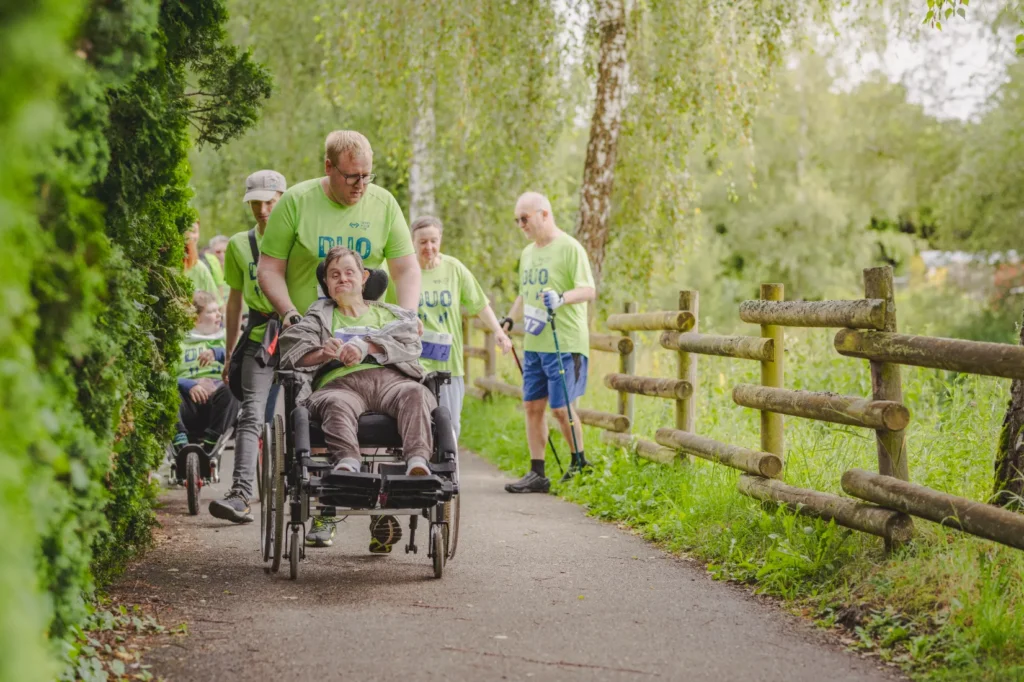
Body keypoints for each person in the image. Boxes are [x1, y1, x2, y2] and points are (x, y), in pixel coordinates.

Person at [279, 247, 436, 548]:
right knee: (336, 404)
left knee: (416, 393)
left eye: (350, 272)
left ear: (364, 278)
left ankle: (418, 463)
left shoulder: (389, 313)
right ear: (326, 283)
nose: (343, 279)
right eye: (334, 275)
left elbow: (410, 342)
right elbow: (292, 351)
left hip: (391, 380)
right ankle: (348, 467)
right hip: (339, 384)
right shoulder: (319, 318)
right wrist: (321, 352)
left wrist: (367, 346)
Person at [257, 130, 421, 325]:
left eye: (366, 176)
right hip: (307, 333)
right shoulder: (294, 202)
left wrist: (409, 316)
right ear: (328, 166)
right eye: (351, 176)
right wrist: (288, 312)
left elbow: (406, 270)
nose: (360, 185)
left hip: (367, 336)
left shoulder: (384, 204)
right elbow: (269, 269)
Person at [503, 192, 596, 493]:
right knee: (532, 406)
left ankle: (579, 463)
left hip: (564, 343)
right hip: (534, 342)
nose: (521, 225)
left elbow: (588, 290)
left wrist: (561, 298)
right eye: (517, 220)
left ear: (544, 214)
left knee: (561, 408)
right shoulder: (528, 253)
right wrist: (508, 320)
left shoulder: (570, 248)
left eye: (524, 218)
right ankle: (537, 473)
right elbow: (523, 293)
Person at [209, 170, 287, 524]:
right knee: (251, 414)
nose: (263, 209)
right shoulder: (240, 246)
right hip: (259, 339)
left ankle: (321, 504)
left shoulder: (300, 241)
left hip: (298, 336)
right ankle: (241, 494)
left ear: (283, 199)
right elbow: (234, 302)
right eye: (256, 202)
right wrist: (228, 354)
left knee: (310, 412)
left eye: (270, 201)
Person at [412, 216, 512, 437]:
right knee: (420, 423)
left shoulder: (453, 268)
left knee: (450, 424)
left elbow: (479, 303)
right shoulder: (405, 270)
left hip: (449, 361)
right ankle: (421, 467)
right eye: (422, 242)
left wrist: (498, 331)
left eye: (433, 241)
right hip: (414, 361)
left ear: (440, 240)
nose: (429, 247)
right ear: (413, 243)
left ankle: (449, 470)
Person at [174, 291, 239, 456]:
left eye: (218, 310)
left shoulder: (226, 340)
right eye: (211, 312)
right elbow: (165, 376)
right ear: (196, 319)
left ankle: (211, 444)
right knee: (169, 393)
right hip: (188, 403)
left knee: (233, 389)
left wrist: (218, 353)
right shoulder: (179, 343)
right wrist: (189, 385)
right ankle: (180, 445)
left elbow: (241, 361)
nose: (219, 315)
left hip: (216, 405)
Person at [184, 220, 222, 305]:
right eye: (187, 231)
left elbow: (217, 299)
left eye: (194, 231)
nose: (189, 236)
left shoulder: (201, 266)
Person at [201, 235, 230, 302]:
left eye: (226, 251)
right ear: (211, 253)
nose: (222, 255)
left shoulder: (237, 273)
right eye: (218, 252)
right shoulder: (206, 275)